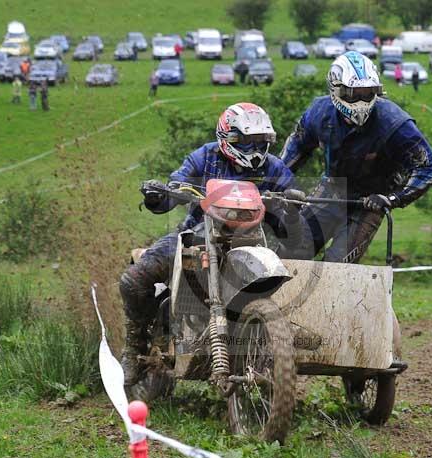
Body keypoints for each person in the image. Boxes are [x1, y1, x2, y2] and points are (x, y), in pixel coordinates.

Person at [119, 103, 301, 386]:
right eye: (246, 142)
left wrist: (293, 206)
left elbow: (291, 216)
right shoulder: (205, 157)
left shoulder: (275, 168)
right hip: (197, 233)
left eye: (260, 142)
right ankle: (133, 348)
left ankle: (267, 344)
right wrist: (158, 196)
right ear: (227, 139)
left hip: (254, 244)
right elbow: (175, 187)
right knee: (134, 280)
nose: (254, 150)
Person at [280, 51, 432, 264]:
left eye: (367, 92)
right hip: (331, 190)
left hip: (369, 202)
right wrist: (277, 185)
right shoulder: (319, 112)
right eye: (353, 93)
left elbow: (429, 166)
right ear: (336, 90)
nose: (361, 100)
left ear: (377, 91)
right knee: (291, 253)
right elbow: (295, 151)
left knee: (336, 265)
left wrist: (393, 199)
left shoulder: (395, 122)